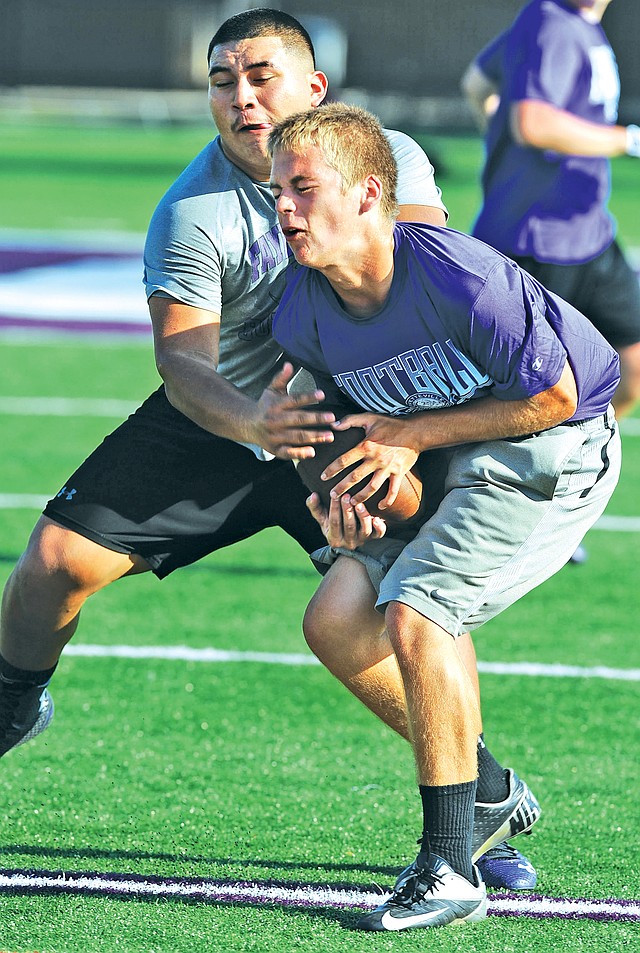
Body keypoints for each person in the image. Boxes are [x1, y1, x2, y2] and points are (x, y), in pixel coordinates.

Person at [0, 8, 536, 890]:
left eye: (262, 78)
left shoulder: (383, 159)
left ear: (314, 90)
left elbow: (435, 282)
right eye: (222, 81)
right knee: (54, 559)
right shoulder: (192, 210)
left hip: (360, 416)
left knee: (399, 609)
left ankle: (472, 800)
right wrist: (253, 422)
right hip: (233, 416)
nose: (241, 99)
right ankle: (16, 695)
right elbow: (182, 361)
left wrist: (400, 442)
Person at [268, 102, 621, 931]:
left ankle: (452, 866)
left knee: (422, 609)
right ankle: (489, 790)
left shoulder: (459, 275)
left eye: (304, 188)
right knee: (336, 619)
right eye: (277, 190)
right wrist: (339, 499)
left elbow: (554, 396)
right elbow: (335, 431)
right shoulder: (303, 309)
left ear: (368, 194)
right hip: (452, 457)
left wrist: (411, 437)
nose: (284, 207)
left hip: (555, 448)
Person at [462, 0, 640, 421]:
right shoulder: (551, 20)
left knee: (632, 369)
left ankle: (577, 465)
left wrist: (496, 137)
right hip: (533, 243)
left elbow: (476, 83)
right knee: (530, 398)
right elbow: (534, 124)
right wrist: (629, 140)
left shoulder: (573, 23)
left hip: (589, 234)